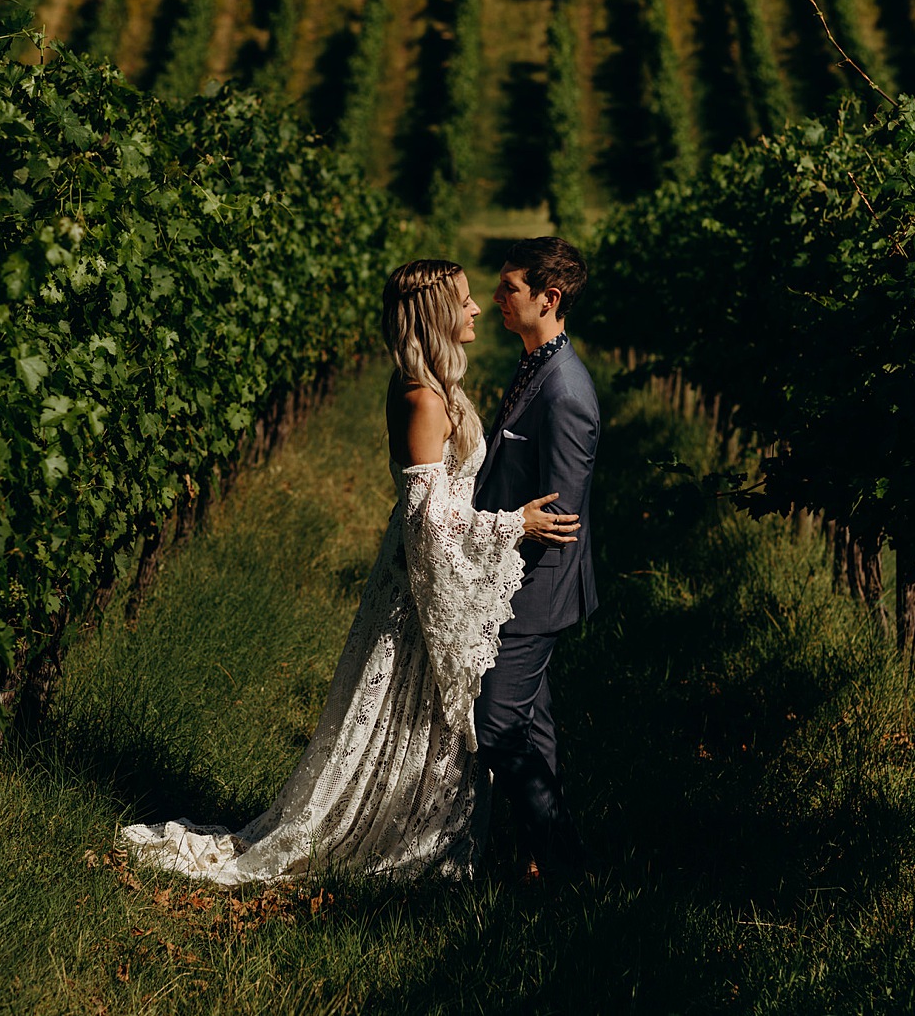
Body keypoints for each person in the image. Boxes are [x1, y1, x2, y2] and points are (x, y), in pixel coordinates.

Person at [119, 259, 578, 885]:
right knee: (407, 716)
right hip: (419, 582)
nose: (476, 311)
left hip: (429, 574)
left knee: (420, 724)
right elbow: (429, 525)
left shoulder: (435, 383)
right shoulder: (421, 397)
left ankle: (421, 829)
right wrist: (512, 526)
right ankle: (391, 840)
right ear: (437, 315)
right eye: (465, 302)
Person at [472, 237, 599, 879]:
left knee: (495, 724)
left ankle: (562, 859)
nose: (496, 297)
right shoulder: (534, 366)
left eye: (510, 288)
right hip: (511, 583)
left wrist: (517, 605)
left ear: (549, 298)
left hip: (532, 595)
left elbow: (560, 522)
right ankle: (546, 860)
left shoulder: (566, 391)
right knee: (532, 722)